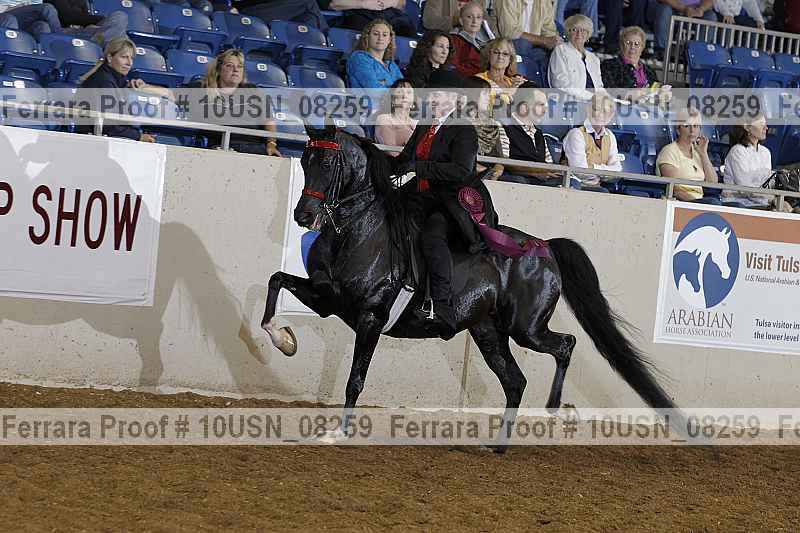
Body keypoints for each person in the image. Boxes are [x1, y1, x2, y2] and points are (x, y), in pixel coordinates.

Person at [390, 68, 485, 340]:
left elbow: (461, 171)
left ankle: (442, 307)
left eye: (438, 94)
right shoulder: (424, 125)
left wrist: (420, 168)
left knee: (432, 238)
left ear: (454, 98)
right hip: (419, 196)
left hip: (448, 202)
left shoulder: (463, 129)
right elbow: (405, 160)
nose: (431, 98)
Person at [184, 48, 281, 156]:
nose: (236, 70)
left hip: (253, 148)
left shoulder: (252, 91)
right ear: (219, 69)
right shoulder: (202, 89)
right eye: (230, 65)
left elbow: (268, 121)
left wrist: (271, 144)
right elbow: (172, 94)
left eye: (240, 66)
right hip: (218, 147)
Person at [78, 37, 173, 142]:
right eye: (124, 57)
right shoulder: (104, 81)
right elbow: (108, 125)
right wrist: (138, 136)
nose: (129, 63)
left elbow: (169, 94)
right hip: (91, 139)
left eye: (131, 58)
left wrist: (144, 86)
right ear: (110, 58)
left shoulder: (117, 79)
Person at [500, 83, 561, 185]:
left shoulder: (539, 134)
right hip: (516, 183)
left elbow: (549, 165)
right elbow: (504, 162)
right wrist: (535, 173)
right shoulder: (504, 127)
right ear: (524, 106)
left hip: (539, 183)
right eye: (540, 105)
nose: (545, 110)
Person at [656, 107, 719, 202]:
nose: (692, 130)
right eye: (687, 126)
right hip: (681, 202)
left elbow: (713, 183)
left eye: (696, 126)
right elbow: (675, 189)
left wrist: (703, 154)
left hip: (700, 201)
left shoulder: (698, 153)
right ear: (678, 130)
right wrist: (698, 204)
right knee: (713, 203)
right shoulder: (669, 151)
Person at [722, 114, 785, 209]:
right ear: (747, 127)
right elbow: (744, 188)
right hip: (739, 204)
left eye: (766, 124)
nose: (766, 128)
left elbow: (767, 183)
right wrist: (772, 199)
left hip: (763, 203)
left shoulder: (766, 152)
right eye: (761, 124)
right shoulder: (737, 151)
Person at [561, 93, 621, 189]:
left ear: (611, 116)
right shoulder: (576, 134)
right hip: (574, 187)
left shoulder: (610, 136)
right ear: (588, 110)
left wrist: (593, 167)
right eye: (597, 109)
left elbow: (617, 170)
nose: (601, 115)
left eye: (605, 111)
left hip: (597, 187)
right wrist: (606, 171)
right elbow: (580, 171)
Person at [601, 26, 670, 105]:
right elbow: (609, 89)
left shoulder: (649, 71)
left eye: (637, 44)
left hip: (648, 108)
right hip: (624, 107)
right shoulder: (609, 65)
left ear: (642, 47)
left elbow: (655, 90)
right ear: (621, 45)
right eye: (628, 43)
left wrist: (662, 94)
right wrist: (629, 94)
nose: (632, 47)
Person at [547, 14, 603, 101]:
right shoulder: (561, 50)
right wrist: (590, 97)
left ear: (588, 34)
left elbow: (599, 86)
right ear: (568, 33)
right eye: (574, 29)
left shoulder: (594, 58)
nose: (579, 33)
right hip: (570, 100)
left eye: (583, 30)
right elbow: (560, 83)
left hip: (594, 101)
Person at [462, 75, 506, 179]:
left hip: (488, 174)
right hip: (465, 172)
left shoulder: (491, 125)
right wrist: (483, 170)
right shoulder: (457, 122)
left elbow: (499, 158)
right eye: (485, 94)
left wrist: (498, 170)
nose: (488, 98)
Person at [491, 0, 562, 63]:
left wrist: (555, 42)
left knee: (554, 55)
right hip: (506, 46)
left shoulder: (544, 2)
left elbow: (549, 31)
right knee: (523, 44)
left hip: (535, 49)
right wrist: (544, 41)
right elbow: (509, 32)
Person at [346, 18, 403, 91]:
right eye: (376, 34)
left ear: (389, 40)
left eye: (384, 35)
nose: (380, 38)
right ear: (367, 37)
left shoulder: (392, 65)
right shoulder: (359, 59)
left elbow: (405, 87)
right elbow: (374, 89)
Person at [647, 0, 716, 58]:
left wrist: (701, 9)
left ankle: (697, 54)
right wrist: (683, 8)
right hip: (671, 8)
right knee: (664, 10)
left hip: (694, 12)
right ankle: (661, 52)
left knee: (710, 16)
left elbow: (710, 1)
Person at [44, 0, 128, 44]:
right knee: (120, 18)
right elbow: (67, 16)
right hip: (66, 32)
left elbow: (85, 17)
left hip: (85, 32)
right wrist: (102, 20)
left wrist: (93, 26)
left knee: (119, 20)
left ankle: (99, 42)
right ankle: (101, 44)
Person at [474, 37, 525, 109]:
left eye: (505, 54)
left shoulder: (512, 82)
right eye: (496, 52)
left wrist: (522, 87)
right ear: (489, 55)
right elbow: (482, 106)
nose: (500, 56)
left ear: (510, 59)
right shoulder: (478, 80)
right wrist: (508, 92)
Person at [323, 0, 417, 37]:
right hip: (360, 13)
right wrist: (364, 4)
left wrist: (389, 2)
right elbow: (334, 4)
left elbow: (401, 3)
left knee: (407, 29)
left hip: (390, 14)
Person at [449, 1, 493, 78]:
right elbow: (454, 68)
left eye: (478, 17)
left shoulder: (489, 40)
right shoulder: (454, 40)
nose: (474, 21)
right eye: (469, 17)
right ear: (461, 21)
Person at [375, 78, 418, 155]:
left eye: (409, 92)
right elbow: (391, 152)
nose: (404, 96)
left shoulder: (417, 123)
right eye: (399, 92)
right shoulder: (384, 119)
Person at [234, 0, 328, 32]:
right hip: (252, 9)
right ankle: (327, 48)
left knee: (309, 14)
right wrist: (227, 7)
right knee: (308, 4)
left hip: (278, 7)